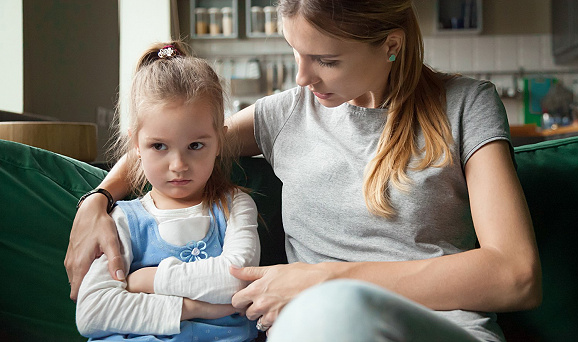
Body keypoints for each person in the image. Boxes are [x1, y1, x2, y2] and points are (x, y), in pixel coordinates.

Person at [66, 1, 542, 341]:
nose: (302, 77)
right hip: (310, 329)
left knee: (338, 312)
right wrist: (98, 199)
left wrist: (325, 280)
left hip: (435, 328)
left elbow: (516, 274)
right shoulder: (286, 114)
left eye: (326, 60)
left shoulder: (465, 105)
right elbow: (174, 142)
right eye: (297, 52)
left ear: (391, 46)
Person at [74, 42, 260, 341]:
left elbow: (236, 279)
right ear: (136, 145)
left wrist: (150, 279)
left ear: (219, 143)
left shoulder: (235, 205)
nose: (178, 165)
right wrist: (193, 307)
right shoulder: (122, 219)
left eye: (196, 146)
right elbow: (92, 312)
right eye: (159, 146)